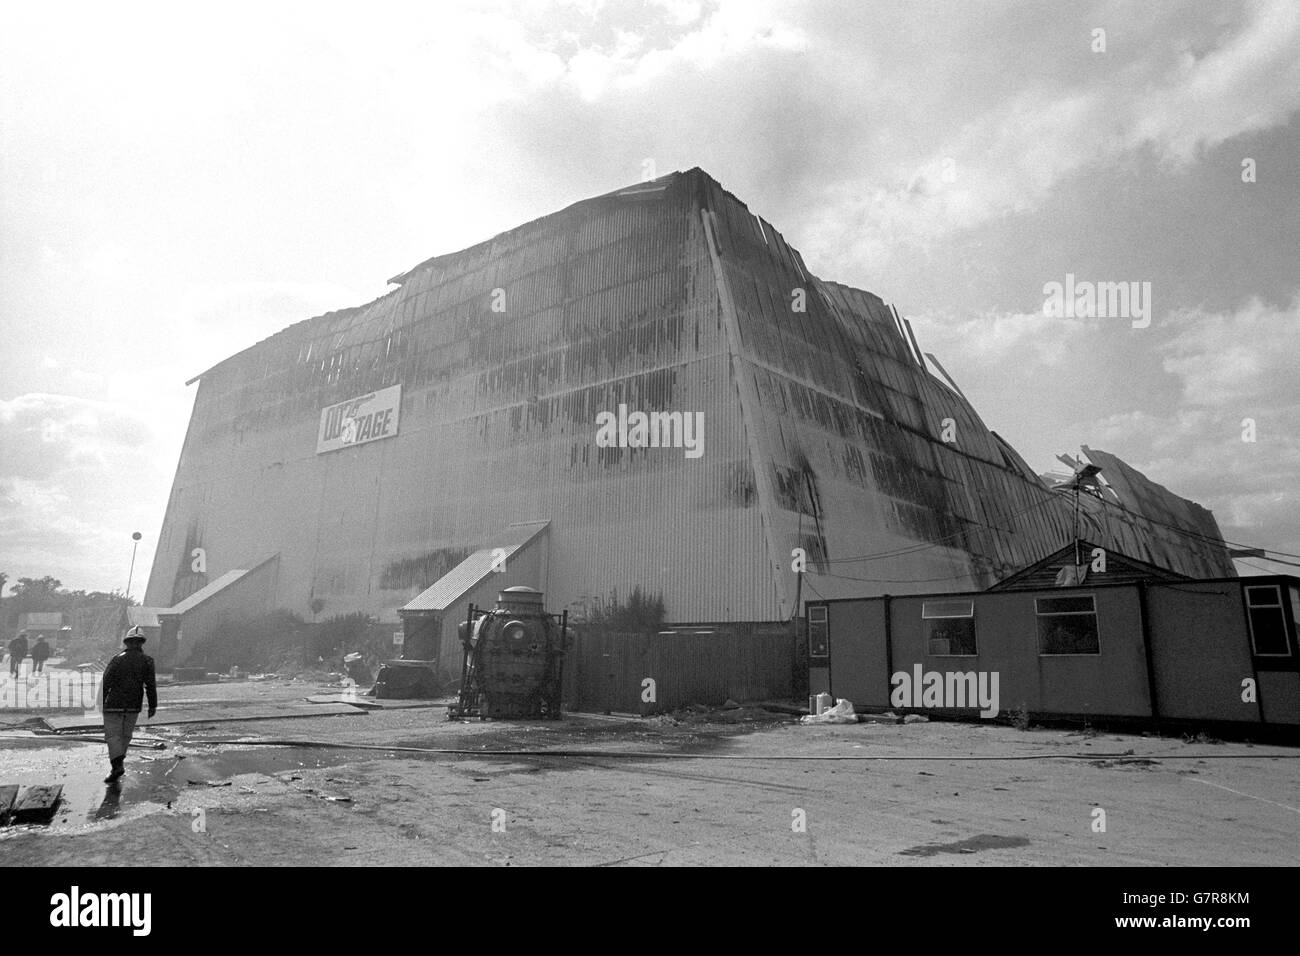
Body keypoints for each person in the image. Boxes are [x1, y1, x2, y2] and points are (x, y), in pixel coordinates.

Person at [100, 626, 157, 784]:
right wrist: (153, 706)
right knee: (125, 736)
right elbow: (150, 685)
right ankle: (118, 765)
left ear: (127, 642)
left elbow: (106, 682)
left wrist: (100, 702)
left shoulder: (117, 659)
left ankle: (117, 766)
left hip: (114, 704)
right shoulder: (148, 661)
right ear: (141, 643)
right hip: (133, 705)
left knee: (113, 736)